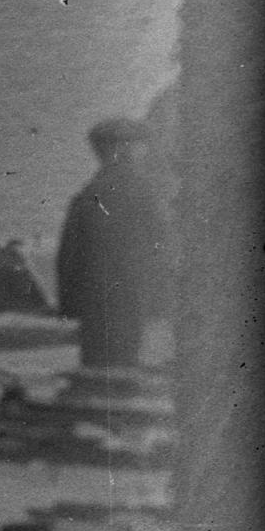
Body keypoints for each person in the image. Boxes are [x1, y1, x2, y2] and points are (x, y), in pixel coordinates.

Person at [54, 104, 166, 392]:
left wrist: (70, 303)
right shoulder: (141, 190)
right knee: (123, 370)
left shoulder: (89, 192)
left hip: (95, 299)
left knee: (97, 368)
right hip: (129, 297)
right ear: (123, 150)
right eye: (137, 146)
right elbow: (160, 243)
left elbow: (68, 255)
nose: (142, 152)